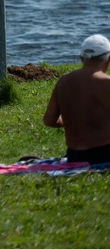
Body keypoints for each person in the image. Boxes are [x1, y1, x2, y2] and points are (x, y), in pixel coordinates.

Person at [43, 34, 110, 164]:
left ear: (81, 58)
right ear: (108, 59)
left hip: (75, 156)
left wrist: (72, 120)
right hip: (105, 155)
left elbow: (49, 120)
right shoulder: (107, 83)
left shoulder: (63, 81)